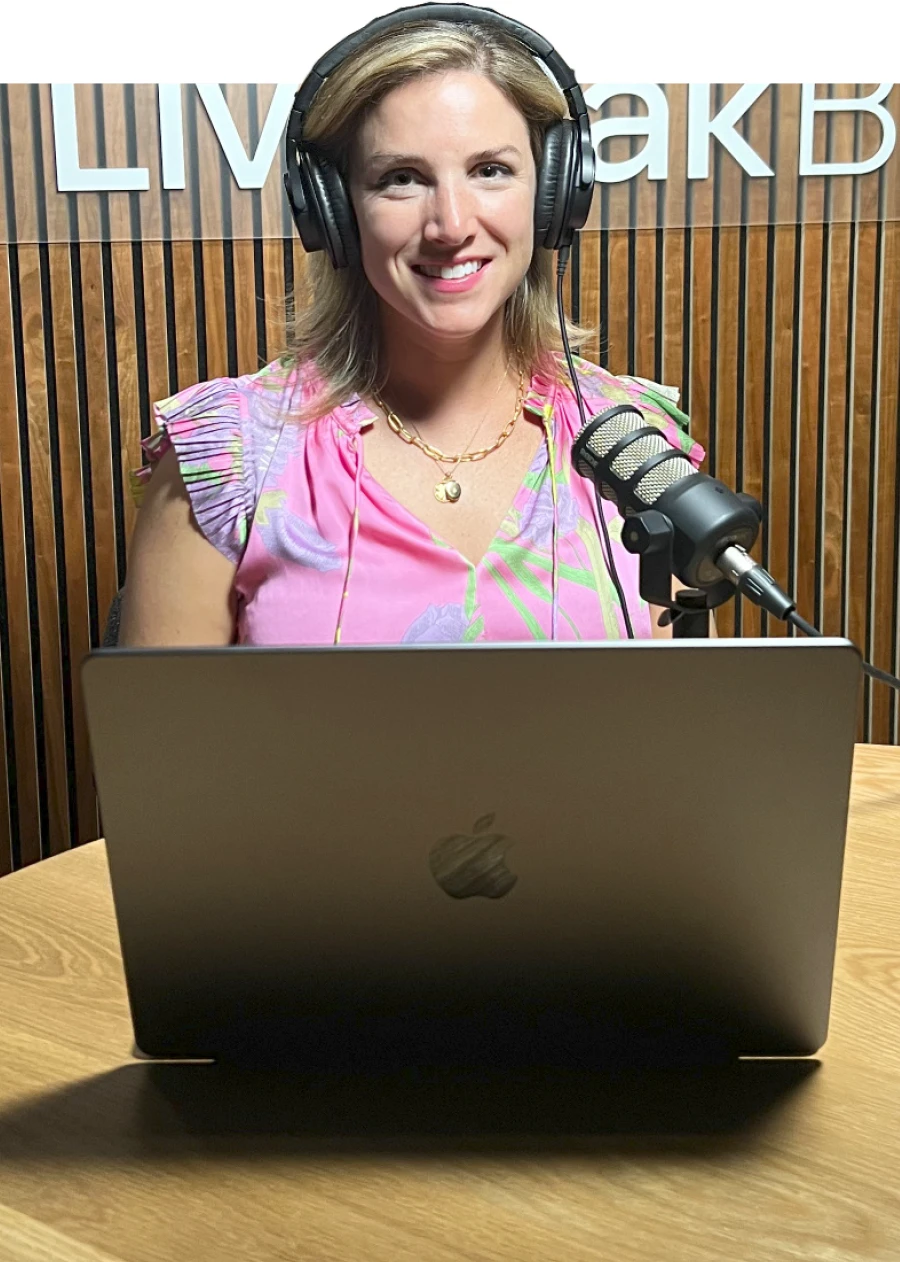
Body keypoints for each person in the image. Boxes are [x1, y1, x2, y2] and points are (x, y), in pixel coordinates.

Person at [119, 6, 706, 650]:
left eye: (490, 170)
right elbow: (163, 721)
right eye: (401, 179)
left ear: (553, 194)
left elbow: (691, 706)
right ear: (336, 212)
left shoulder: (634, 443)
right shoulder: (230, 455)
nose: (451, 225)